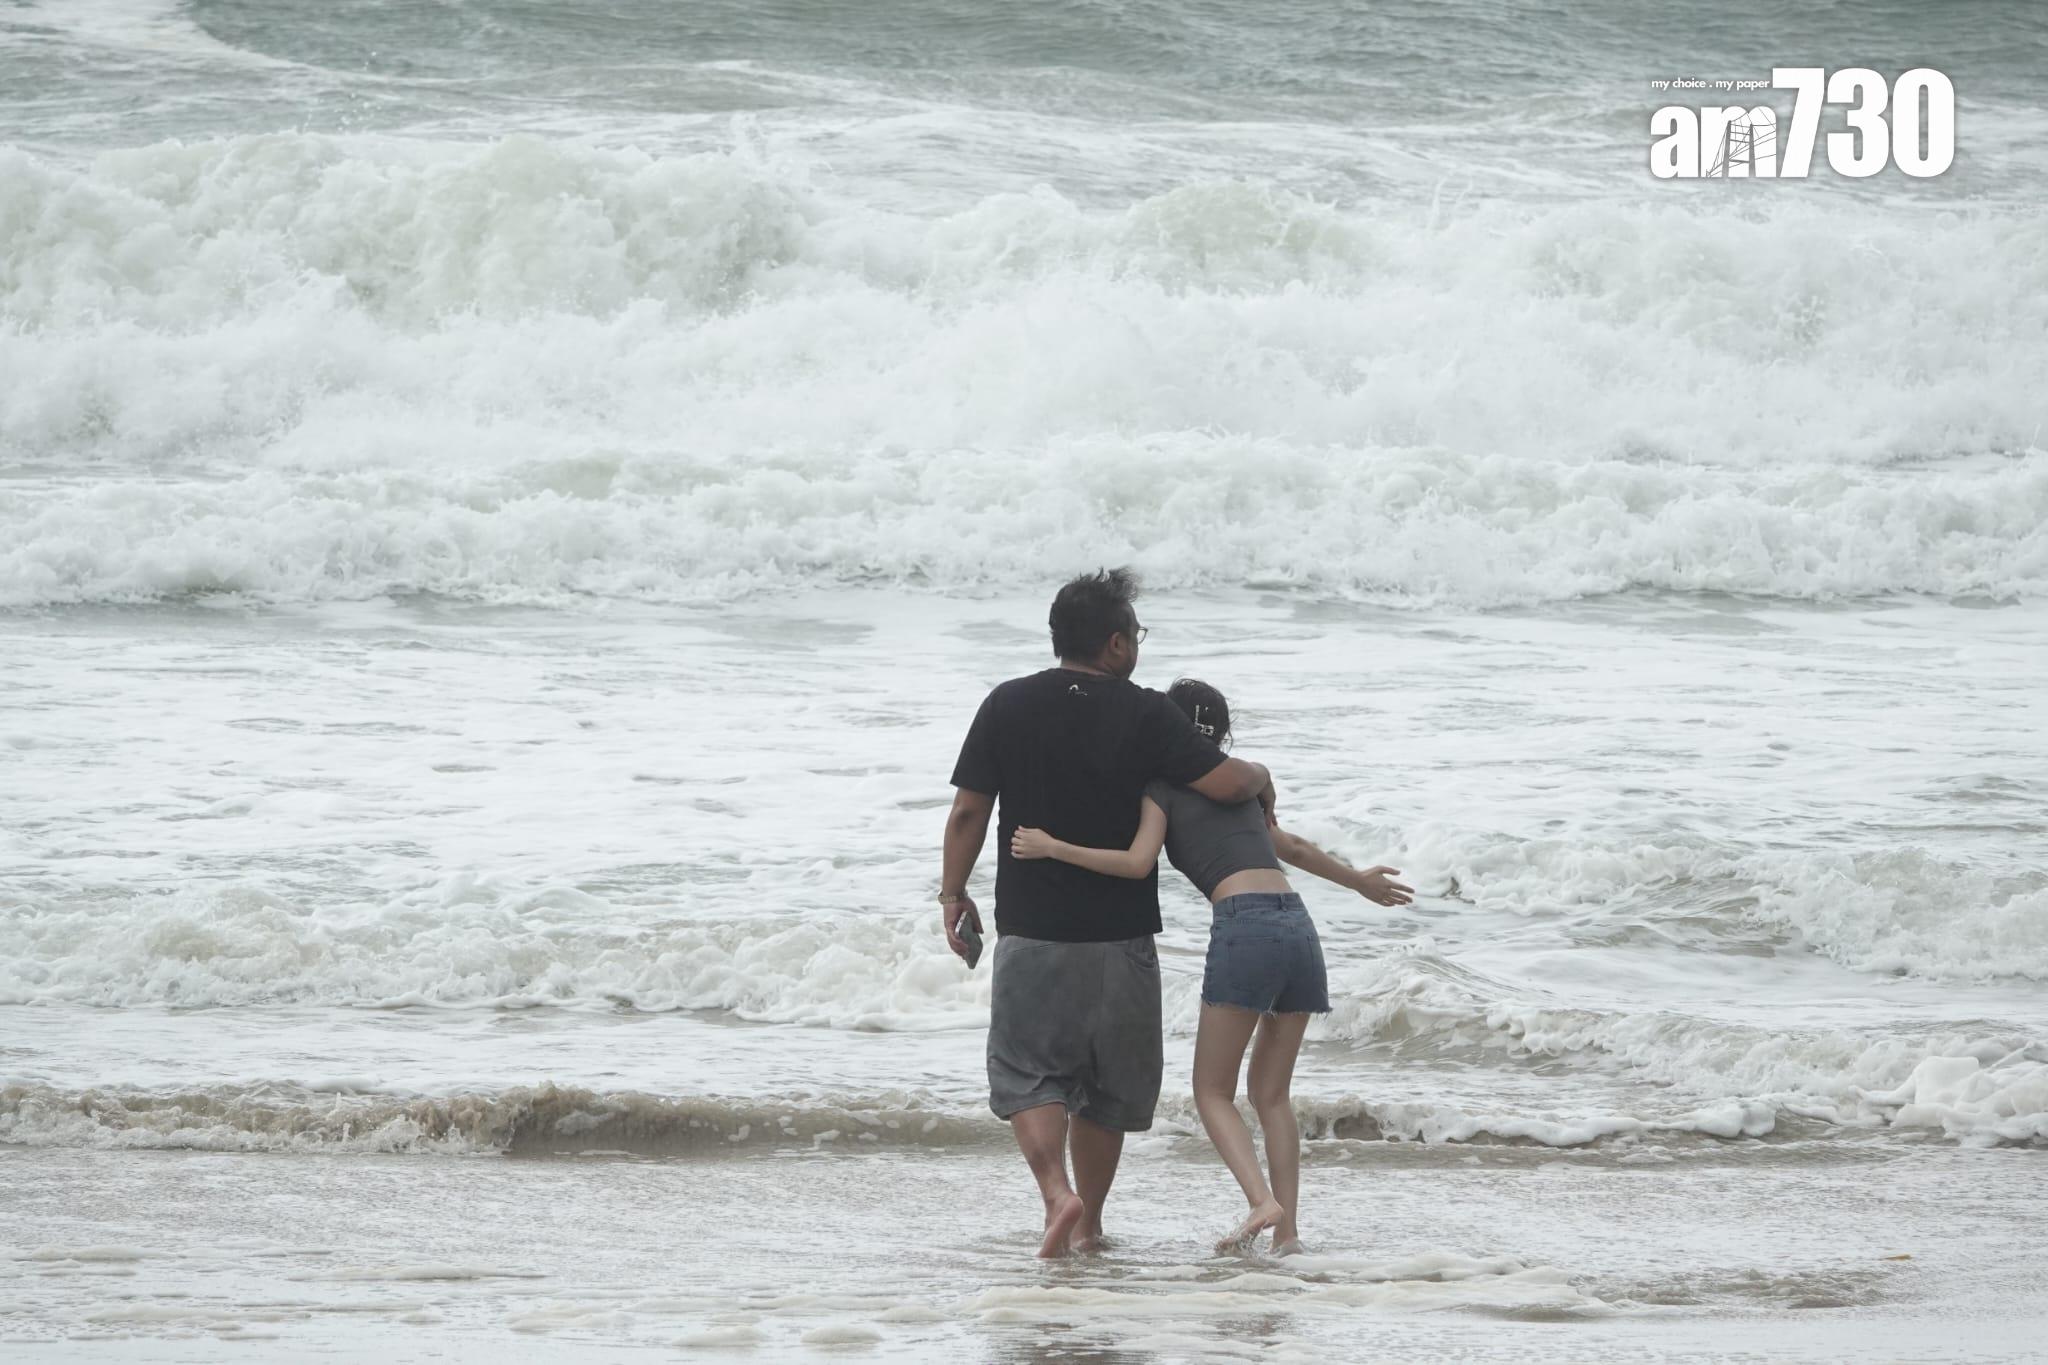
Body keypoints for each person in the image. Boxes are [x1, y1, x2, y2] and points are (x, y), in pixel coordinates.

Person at [1011, 677, 1412, 1254]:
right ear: (1221, 733)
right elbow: (1291, 849)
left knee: (1211, 1091)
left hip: (1244, 925)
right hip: (1298, 925)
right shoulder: (1239, 783)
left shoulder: (1162, 787)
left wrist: (1055, 847)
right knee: (1272, 1095)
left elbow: (1134, 862)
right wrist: (1359, 884)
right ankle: (1289, 1234)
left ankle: (1261, 1202)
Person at [940, 569, 1276, 1258]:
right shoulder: (1146, 712)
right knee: (1105, 1090)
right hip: (1122, 941)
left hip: (1034, 933)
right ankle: (1089, 1223)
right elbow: (1224, 780)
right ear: (1116, 643)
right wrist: (1262, 776)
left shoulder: (1006, 703)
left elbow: (969, 811)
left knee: (1029, 1073)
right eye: (1137, 635)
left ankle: (1057, 1196)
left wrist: (953, 894)